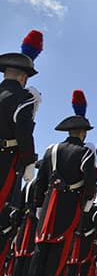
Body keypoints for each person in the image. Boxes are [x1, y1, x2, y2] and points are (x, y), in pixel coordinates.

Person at [30, 90, 97, 276]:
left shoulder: (51, 150)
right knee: (59, 249)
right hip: (69, 203)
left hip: (49, 202)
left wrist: (39, 205)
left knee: (42, 247)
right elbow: (89, 182)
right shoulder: (86, 153)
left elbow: (40, 182)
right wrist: (87, 202)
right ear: (83, 133)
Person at [0, 30, 43, 217]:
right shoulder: (24, 98)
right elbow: (23, 132)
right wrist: (29, 161)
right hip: (6, 160)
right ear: (23, 77)